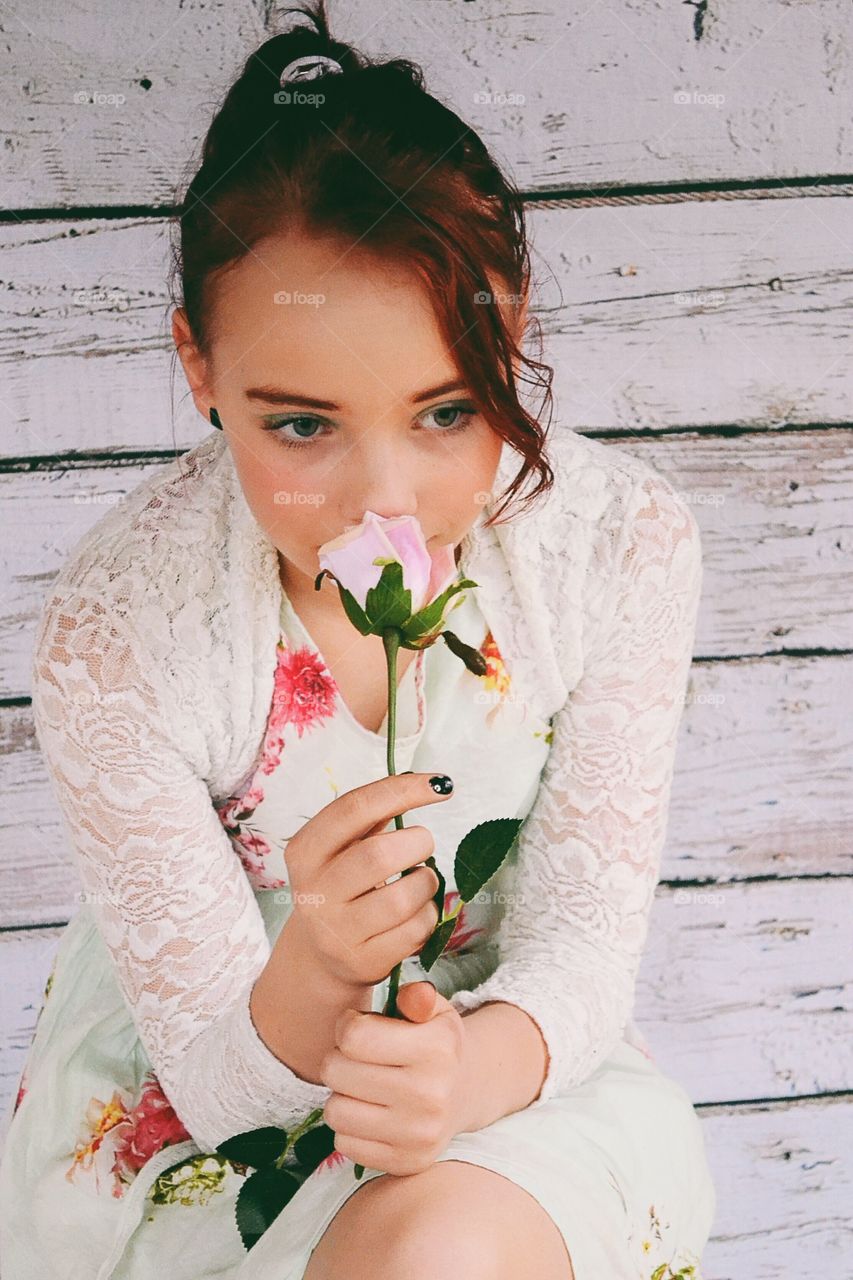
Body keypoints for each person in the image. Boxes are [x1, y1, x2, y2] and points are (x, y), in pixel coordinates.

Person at [0, 4, 716, 1277]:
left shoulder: (616, 546)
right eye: (299, 426)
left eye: (447, 408)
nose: (383, 499)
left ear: (513, 327)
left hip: (510, 1054)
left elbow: (582, 943)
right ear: (199, 366)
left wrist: (462, 1071)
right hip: (224, 1084)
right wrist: (316, 963)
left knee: (436, 1247)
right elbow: (224, 1085)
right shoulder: (123, 632)